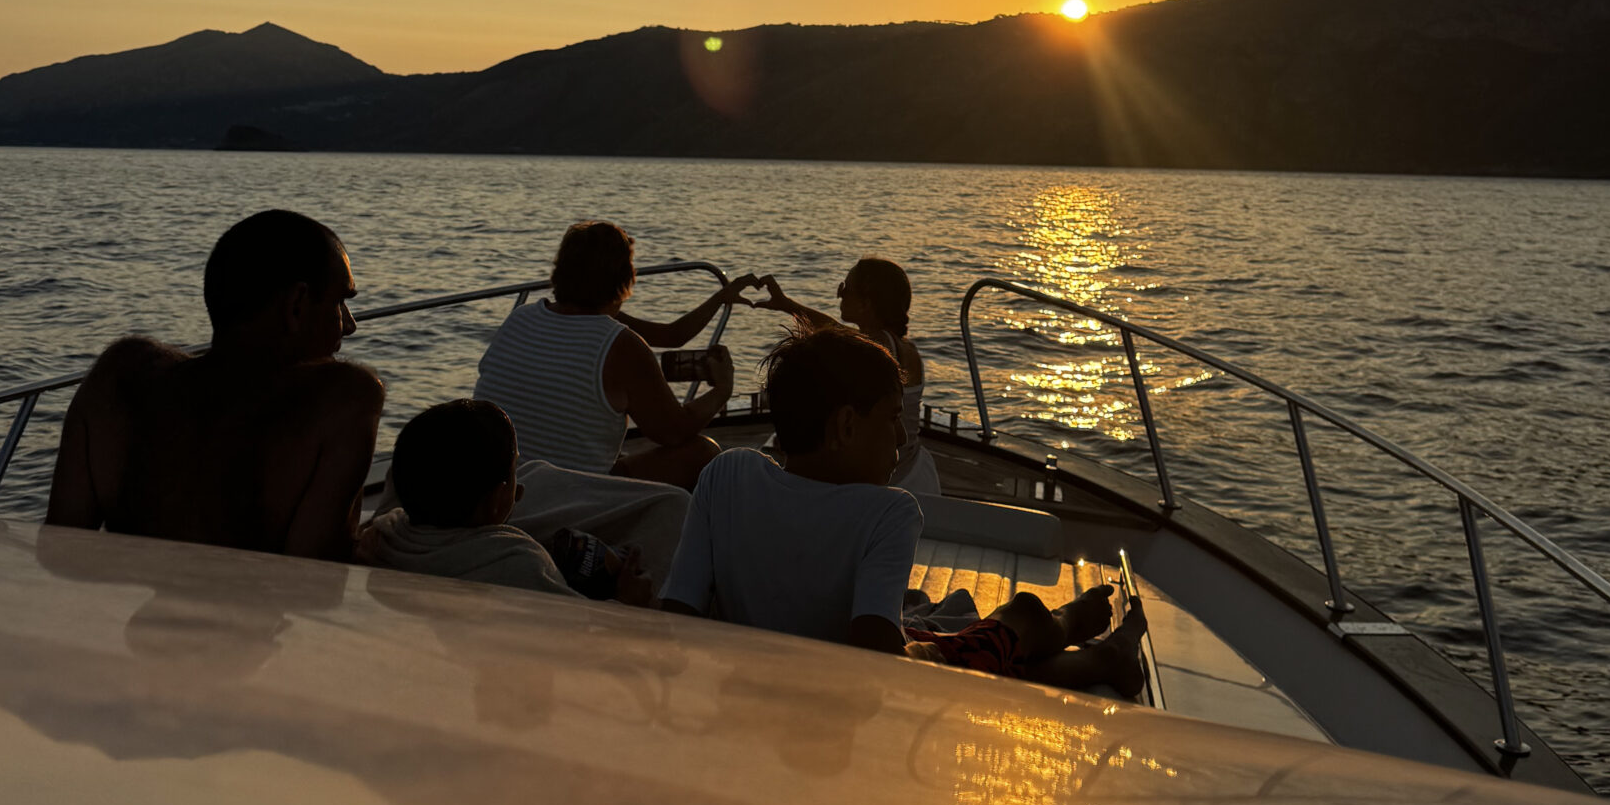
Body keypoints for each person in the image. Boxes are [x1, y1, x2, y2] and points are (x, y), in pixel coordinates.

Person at [660, 327, 1147, 695]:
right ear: (847, 426)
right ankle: (1077, 625)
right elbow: (878, 658)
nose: (899, 437)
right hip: (844, 693)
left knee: (968, 635)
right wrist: (930, 651)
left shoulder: (727, 474)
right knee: (1021, 614)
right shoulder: (887, 512)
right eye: (892, 418)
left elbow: (676, 611)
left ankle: (1102, 660)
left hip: (752, 685)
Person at [45, 209, 384, 562]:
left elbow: (59, 553)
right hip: (248, 616)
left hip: (135, 613)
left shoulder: (119, 375)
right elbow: (318, 586)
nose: (349, 325)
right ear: (296, 305)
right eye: (339, 302)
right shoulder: (345, 400)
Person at [475, 220, 750, 495]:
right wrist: (722, 390)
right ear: (625, 278)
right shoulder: (619, 344)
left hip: (495, 487)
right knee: (703, 453)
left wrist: (720, 298)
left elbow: (670, 336)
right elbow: (674, 431)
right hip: (570, 496)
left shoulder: (520, 318)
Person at [357, 399, 653, 603]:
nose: (520, 489)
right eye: (514, 474)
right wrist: (627, 603)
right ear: (499, 499)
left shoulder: (383, 535)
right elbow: (579, 628)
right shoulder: (520, 563)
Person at [747, 257, 937, 496]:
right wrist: (787, 305)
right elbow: (838, 334)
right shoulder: (900, 346)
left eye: (845, 289)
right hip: (911, 466)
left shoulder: (882, 348)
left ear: (866, 303)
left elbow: (837, 337)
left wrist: (789, 306)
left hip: (893, 472)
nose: (839, 295)